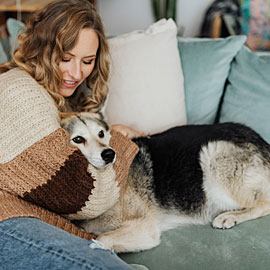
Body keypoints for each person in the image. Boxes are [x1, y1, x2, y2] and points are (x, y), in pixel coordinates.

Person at [0, 0, 146, 269]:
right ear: (41, 49)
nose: (77, 73)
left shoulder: (62, 99)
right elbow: (85, 196)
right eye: (65, 58)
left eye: (87, 61)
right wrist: (120, 141)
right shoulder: (21, 93)